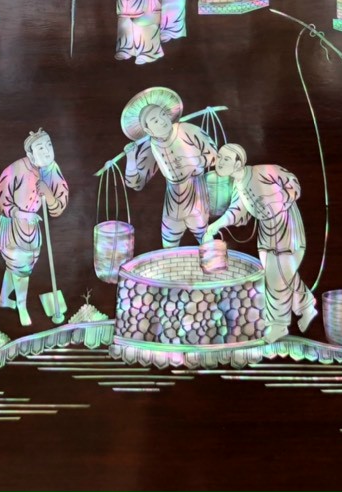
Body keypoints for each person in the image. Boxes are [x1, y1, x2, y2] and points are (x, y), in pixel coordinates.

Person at [203, 143, 318, 344]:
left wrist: (282, 200)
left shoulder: (264, 171)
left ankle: (279, 325)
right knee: (283, 275)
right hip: (266, 234)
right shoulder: (238, 185)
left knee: (276, 279)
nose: (219, 162)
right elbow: (237, 211)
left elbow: (292, 182)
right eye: (219, 157)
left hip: (286, 228)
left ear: (238, 163)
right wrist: (215, 226)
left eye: (226, 159)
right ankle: (307, 306)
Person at [121, 87, 218, 248]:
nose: (162, 121)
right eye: (155, 121)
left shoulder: (187, 130)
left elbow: (214, 155)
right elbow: (136, 183)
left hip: (196, 192)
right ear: (148, 130)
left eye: (163, 115)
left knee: (205, 238)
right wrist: (131, 158)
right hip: (173, 199)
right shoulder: (150, 147)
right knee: (169, 244)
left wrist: (194, 163)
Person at [0, 129, 69, 327]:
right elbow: (2, 202)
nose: (47, 151)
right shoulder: (14, 170)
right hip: (14, 226)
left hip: (33, 227)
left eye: (49, 145)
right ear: (30, 154)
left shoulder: (52, 169)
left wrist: (49, 194)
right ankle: (22, 307)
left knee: (16, 266)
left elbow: (59, 205)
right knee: (21, 268)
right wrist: (21, 214)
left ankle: (3, 299)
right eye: (40, 148)